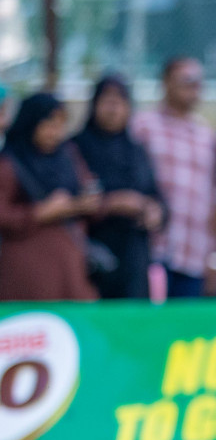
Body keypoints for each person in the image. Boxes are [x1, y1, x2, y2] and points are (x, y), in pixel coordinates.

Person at [0, 93, 101, 301]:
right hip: (26, 272)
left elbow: (88, 189)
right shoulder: (10, 162)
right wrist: (41, 212)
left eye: (60, 124)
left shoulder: (68, 155)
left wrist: (82, 203)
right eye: (49, 124)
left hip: (70, 266)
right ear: (31, 122)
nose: (55, 132)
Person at [132, 57, 216, 297]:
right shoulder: (142, 126)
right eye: (187, 80)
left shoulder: (206, 136)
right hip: (152, 248)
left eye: (199, 82)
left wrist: (214, 256)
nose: (194, 87)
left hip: (194, 252)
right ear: (166, 82)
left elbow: (212, 198)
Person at [73, 74, 164, 299]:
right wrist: (111, 204)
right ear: (94, 105)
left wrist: (155, 211)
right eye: (107, 100)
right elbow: (66, 200)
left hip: (134, 254)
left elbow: (156, 195)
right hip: (91, 253)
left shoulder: (136, 150)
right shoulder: (75, 148)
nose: (113, 108)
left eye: (120, 101)